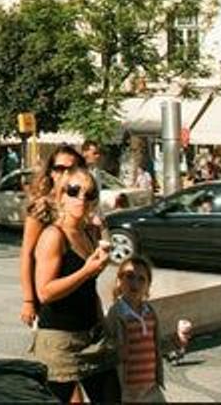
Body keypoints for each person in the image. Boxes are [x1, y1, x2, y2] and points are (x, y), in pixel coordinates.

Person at [33, 163, 120, 404]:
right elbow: (45, 292)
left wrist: (102, 320)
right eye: (74, 191)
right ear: (61, 195)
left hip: (91, 335)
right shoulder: (53, 236)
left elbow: (88, 286)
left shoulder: (88, 233)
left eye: (89, 194)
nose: (81, 198)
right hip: (60, 341)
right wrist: (86, 271)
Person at [19, 144, 86, 328]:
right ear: (50, 172)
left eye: (71, 168)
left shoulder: (82, 205)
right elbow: (26, 253)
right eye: (59, 168)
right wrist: (28, 301)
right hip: (48, 291)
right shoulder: (42, 207)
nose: (65, 173)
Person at [106, 255, 167, 402]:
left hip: (151, 386)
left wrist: (178, 340)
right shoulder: (117, 312)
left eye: (141, 279)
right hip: (127, 389)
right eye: (130, 276)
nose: (135, 283)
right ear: (119, 281)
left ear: (148, 286)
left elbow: (156, 345)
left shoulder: (149, 311)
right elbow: (108, 346)